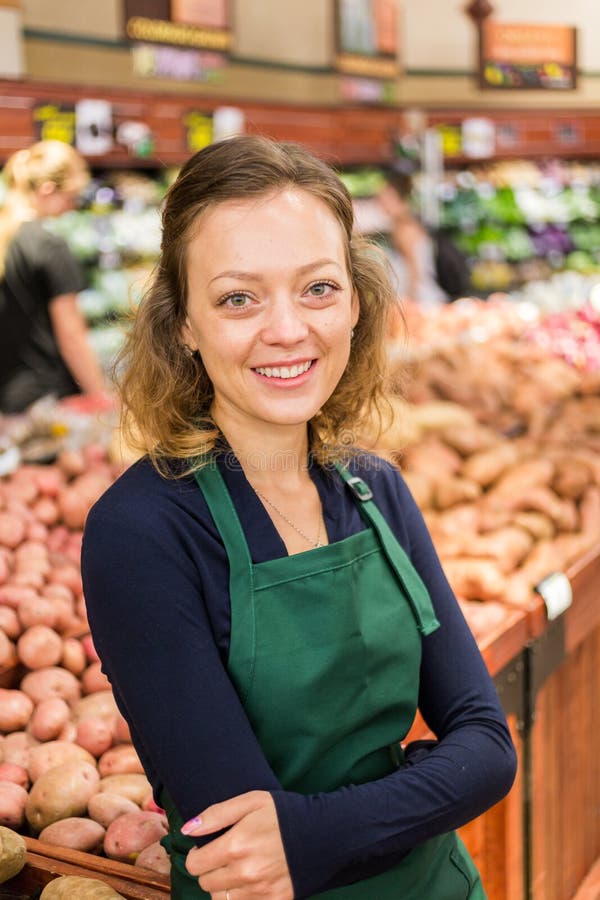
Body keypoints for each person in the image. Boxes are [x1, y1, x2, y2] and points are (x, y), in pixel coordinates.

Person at [81, 135, 516, 900]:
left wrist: (312, 832)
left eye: (317, 288)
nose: (288, 329)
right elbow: (241, 853)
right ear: (183, 323)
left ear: (356, 301)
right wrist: (425, 787)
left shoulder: (374, 487)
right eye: (238, 298)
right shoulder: (141, 532)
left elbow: (489, 747)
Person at [0, 140, 108, 413]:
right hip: (46, 398)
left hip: (7, 396)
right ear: (48, 190)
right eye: (70, 197)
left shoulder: (6, 238)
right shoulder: (50, 246)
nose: (71, 208)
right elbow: (71, 335)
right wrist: (99, 394)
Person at [379, 169, 468, 308]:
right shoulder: (409, 223)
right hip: (427, 298)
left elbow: (414, 270)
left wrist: (409, 303)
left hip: (422, 301)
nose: (380, 201)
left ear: (397, 197)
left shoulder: (404, 229)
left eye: (385, 196)